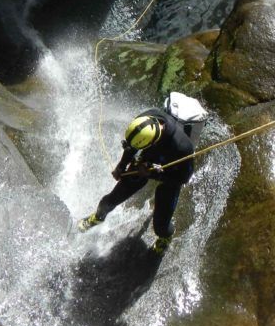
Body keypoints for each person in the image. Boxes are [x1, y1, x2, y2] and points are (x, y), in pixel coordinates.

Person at [78, 109, 195, 254]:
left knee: (160, 226)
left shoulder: (182, 147)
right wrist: (121, 166)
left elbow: (183, 178)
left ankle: (165, 237)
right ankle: (98, 217)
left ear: (151, 142)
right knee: (109, 200)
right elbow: (131, 147)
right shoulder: (144, 120)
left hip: (168, 171)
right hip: (146, 163)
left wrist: (158, 175)